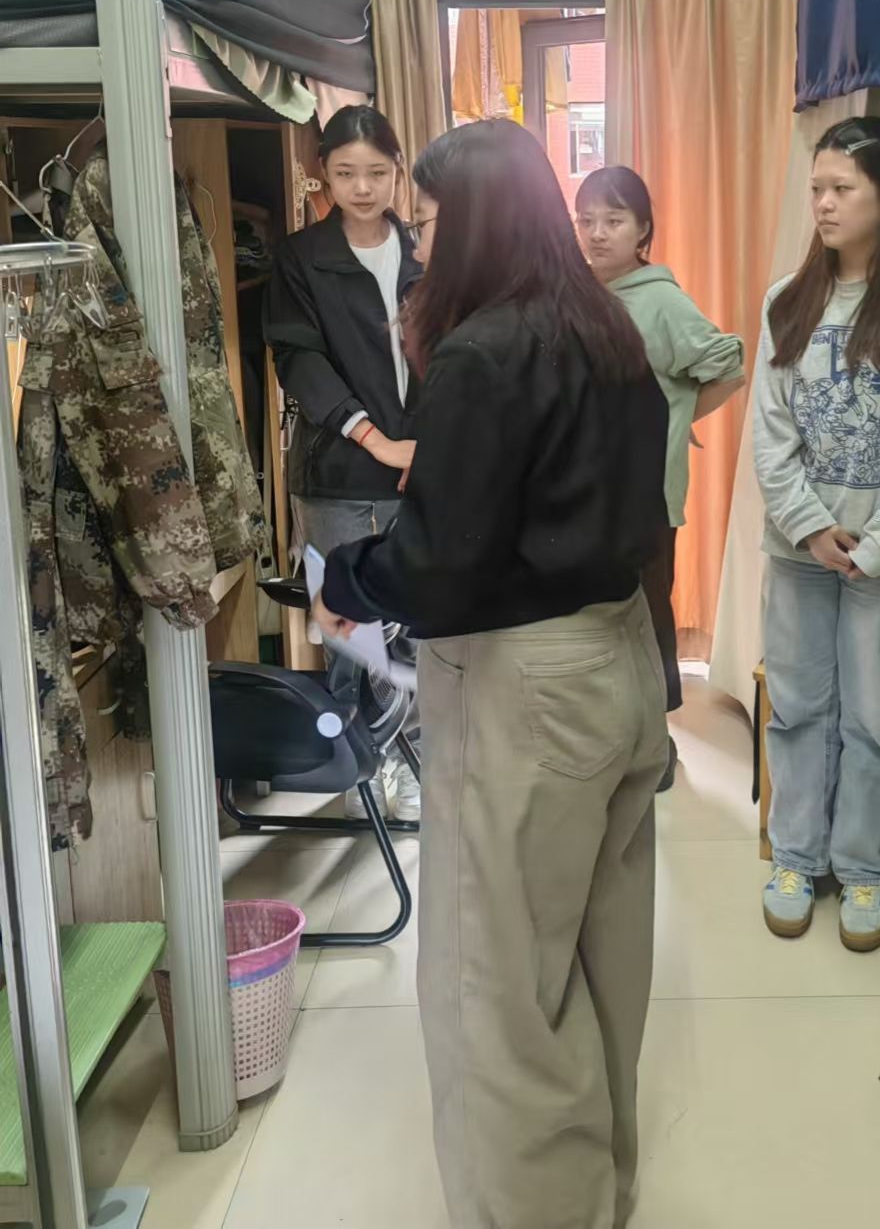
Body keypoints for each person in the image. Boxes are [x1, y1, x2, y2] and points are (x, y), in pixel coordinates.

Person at [313, 119, 670, 1229]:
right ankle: (599, 1191)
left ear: (474, 223)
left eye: (427, 220)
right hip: (621, 657)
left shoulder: (482, 352)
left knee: (501, 988)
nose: (418, 244)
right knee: (605, 955)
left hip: (528, 683)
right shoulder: (606, 327)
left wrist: (349, 580)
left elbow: (442, 563)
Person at [753, 116, 880, 952]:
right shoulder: (787, 301)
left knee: (879, 719)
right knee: (797, 711)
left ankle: (864, 869)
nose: (821, 203)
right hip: (799, 554)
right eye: (817, 188)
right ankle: (795, 858)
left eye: (841, 189)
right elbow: (769, 434)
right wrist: (811, 527)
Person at [263, 104, 423, 821]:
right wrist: (375, 439)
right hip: (338, 471)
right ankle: (359, 768)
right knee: (349, 628)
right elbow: (299, 360)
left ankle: (415, 765)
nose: (362, 188)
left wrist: (435, 446)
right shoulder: (301, 258)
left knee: (419, 626)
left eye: (377, 173)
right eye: (346, 172)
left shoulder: (424, 252)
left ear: (398, 173)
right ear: (321, 174)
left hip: (423, 468)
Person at [576, 166, 745, 789]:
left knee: (645, 615)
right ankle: (610, 740)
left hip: (645, 495)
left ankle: (657, 745)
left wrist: (674, 420)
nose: (597, 233)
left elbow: (728, 364)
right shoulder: (579, 294)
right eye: (586, 220)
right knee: (596, 618)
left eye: (614, 220)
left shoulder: (661, 299)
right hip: (585, 491)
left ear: (643, 230)